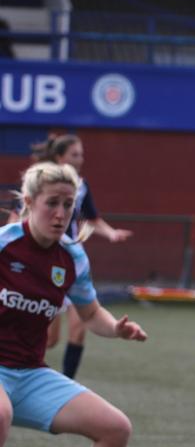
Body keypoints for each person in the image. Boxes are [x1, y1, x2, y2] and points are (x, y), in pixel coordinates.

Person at [0, 162, 147, 447]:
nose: (62, 214)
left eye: (69, 204)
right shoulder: (4, 245)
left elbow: (91, 313)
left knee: (115, 428)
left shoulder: (72, 257)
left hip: (29, 373)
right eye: (52, 204)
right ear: (29, 203)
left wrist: (116, 329)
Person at [33, 135, 133, 379]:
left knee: (79, 330)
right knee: (51, 339)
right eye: (75, 154)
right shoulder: (42, 181)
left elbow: (92, 218)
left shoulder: (82, 185)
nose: (81, 159)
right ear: (60, 158)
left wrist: (111, 234)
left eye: (81, 154)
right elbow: (24, 214)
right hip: (44, 261)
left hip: (70, 260)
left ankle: (66, 386)